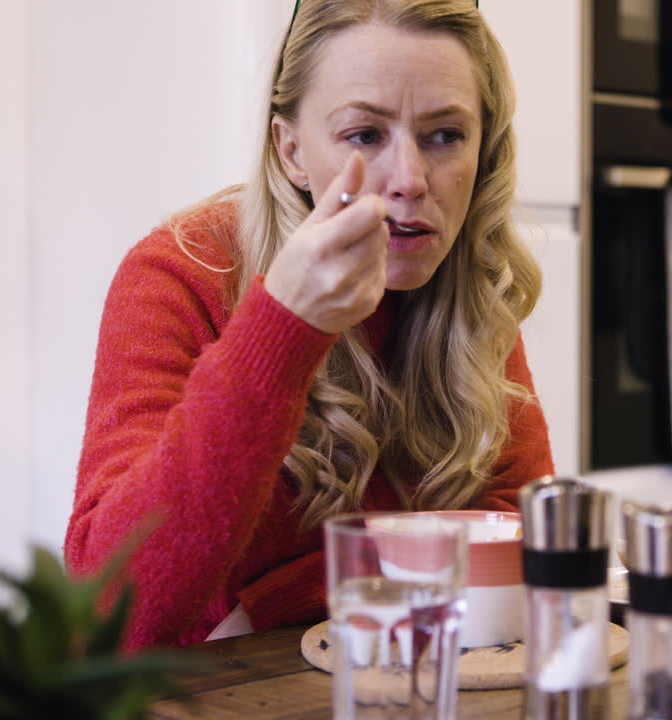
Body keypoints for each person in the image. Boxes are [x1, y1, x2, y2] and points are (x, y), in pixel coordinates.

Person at [64, 0, 554, 650]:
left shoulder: (465, 286)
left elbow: (520, 539)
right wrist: (283, 328)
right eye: (364, 135)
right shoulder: (180, 274)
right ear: (291, 150)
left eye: (444, 136)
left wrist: (288, 599)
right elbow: (108, 613)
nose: (409, 180)